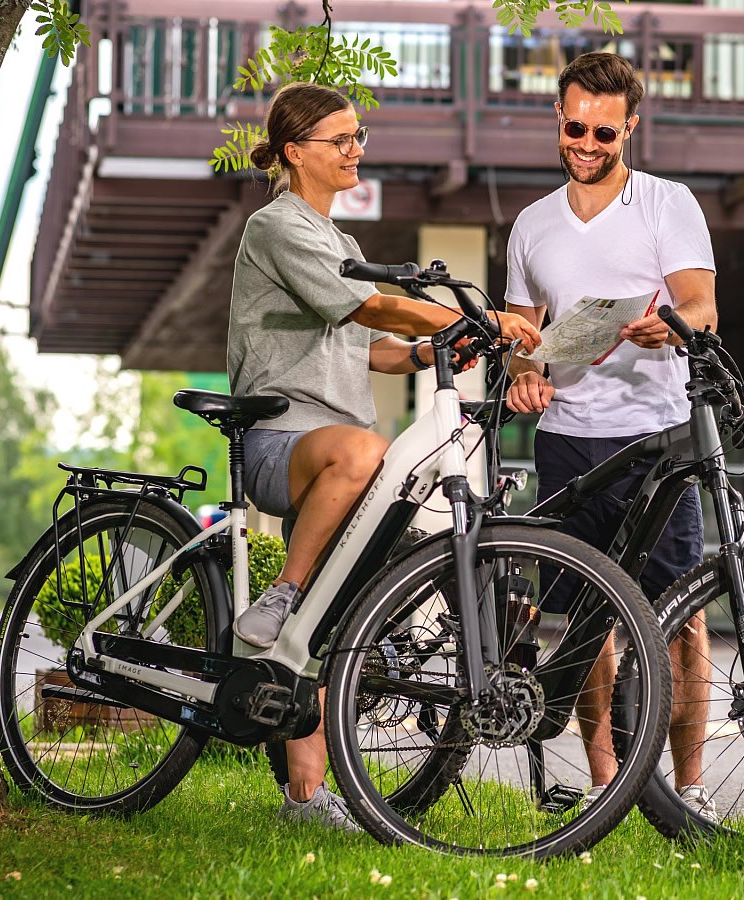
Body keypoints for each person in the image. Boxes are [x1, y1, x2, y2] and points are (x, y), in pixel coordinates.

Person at [227, 81, 543, 830]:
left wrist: (442, 343)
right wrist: (481, 315)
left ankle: (303, 797)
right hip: (281, 438)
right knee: (367, 454)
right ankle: (284, 595)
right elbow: (370, 306)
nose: (356, 149)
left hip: (339, 453)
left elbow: (375, 347)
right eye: (341, 139)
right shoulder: (277, 226)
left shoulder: (342, 243)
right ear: (296, 151)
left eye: (359, 136)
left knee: (335, 617)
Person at [503, 51, 718, 815]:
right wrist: (523, 373)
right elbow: (522, 335)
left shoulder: (668, 204)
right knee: (588, 619)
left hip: (655, 438)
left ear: (630, 125)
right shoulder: (530, 226)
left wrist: (671, 326)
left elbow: (701, 305)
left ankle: (689, 791)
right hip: (565, 438)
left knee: (683, 614)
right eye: (573, 127)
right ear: (557, 122)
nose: (586, 143)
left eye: (604, 130)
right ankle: (604, 784)